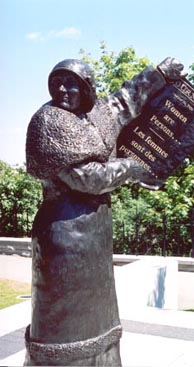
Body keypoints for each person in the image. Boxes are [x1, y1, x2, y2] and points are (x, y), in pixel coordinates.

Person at [24, 57, 184, 366]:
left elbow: (126, 100)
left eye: (71, 82)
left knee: (99, 317)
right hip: (64, 238)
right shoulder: (49, 122)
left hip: (95, 235)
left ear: (86, 88)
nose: (62, 89)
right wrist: (133, 168)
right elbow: (87, 178)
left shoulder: (95, 114)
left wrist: (161, 73)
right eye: (57, 81)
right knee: (66, 321)